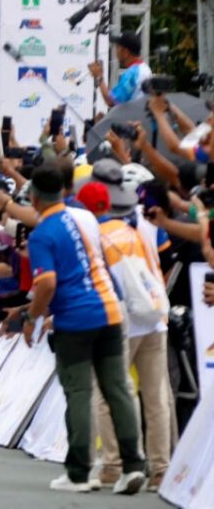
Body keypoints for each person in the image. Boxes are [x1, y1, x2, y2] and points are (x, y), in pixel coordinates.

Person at [23, 164, 147, 494]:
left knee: (79, 393)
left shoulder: (41, 235)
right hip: (108, 310)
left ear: (34, 199)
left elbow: (47, 282)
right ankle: (133, 465)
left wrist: (33, 316)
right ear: (64, 192)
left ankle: (79, 471)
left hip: (74, 320)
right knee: (117, 388)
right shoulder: (86, 218)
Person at [79, 161, 174, 491]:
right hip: (154, 314)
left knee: (110, 395)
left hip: (120, 319)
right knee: (156, 396)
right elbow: (158, 267)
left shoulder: (95, 234)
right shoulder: (144, 225)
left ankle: (116, 463)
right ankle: (160, 468)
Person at [89, 31, 152, 108]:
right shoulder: (144, 68)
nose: (116, 51)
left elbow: (111, 101)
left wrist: (99, 77)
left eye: (118, 47)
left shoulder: (132, 73)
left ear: (125, 52)